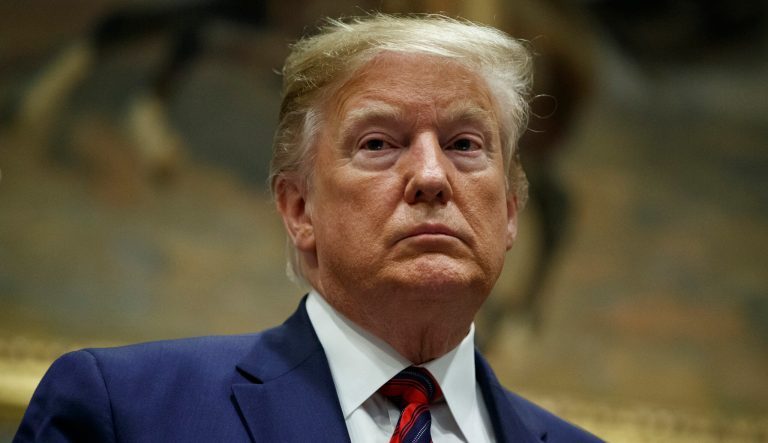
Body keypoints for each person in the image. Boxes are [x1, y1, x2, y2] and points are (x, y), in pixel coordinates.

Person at [14, 14, 602, 442]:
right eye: (378, 143)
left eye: (465, 144)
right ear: (299, 210)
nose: (431, 175)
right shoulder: (124, 413)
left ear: (508, 213)